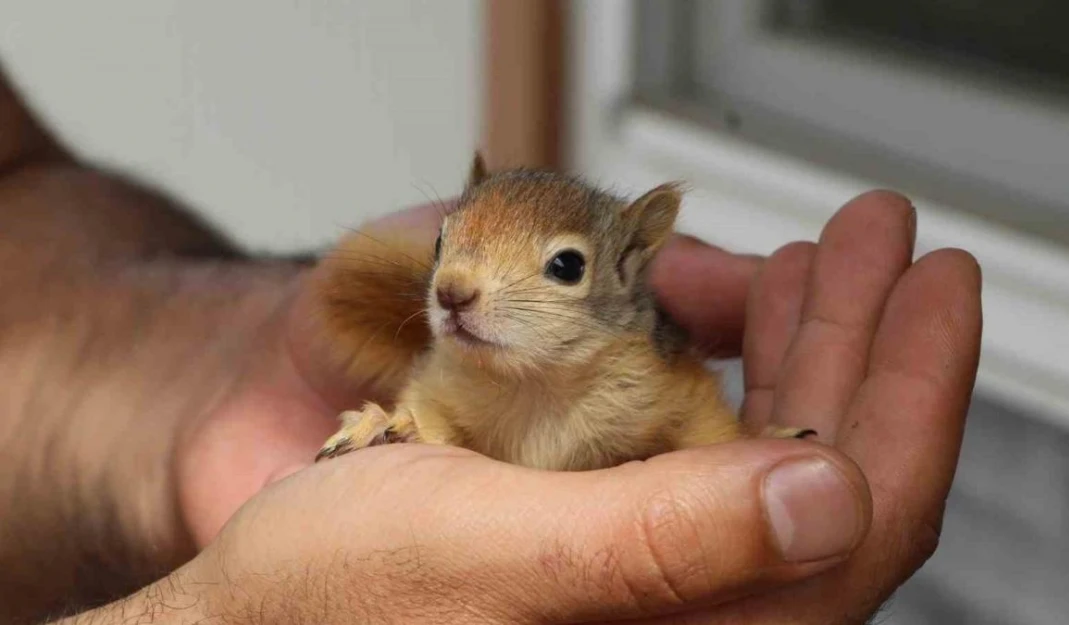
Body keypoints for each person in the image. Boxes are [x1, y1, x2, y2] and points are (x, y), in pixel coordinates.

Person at [0, 60, 981, 624]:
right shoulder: (450, 375)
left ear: (628, 268)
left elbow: (18, 193)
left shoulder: (633, 367)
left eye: (560, 268)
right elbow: (433, 406)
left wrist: (207, 390)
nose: (454, 295)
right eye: (449, 259)